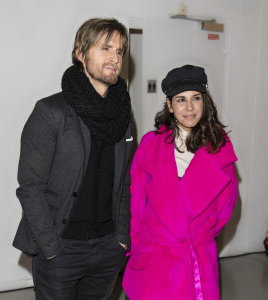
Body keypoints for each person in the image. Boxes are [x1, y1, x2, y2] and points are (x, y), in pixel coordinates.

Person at [13, 18, 133, 300]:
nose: (114, 57)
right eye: (105, 48)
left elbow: (124, 183)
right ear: (80, 53)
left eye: (119, 51)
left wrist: (121, 239)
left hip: (107, 248)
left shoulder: (122, 117)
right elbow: (30, 187)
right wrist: (51, 248)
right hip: (61, 249)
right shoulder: (50, 112)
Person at [123, 65, 238, 299]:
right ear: (169, 105)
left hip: (197, 257)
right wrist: (137, 246)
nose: (189, 107)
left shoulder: (220, 147)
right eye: (180, 99)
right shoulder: (150, 145)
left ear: (205, 102)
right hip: (155, 256)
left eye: (196, 98)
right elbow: (135, 200)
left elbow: (226, 206)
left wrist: (199, 234)